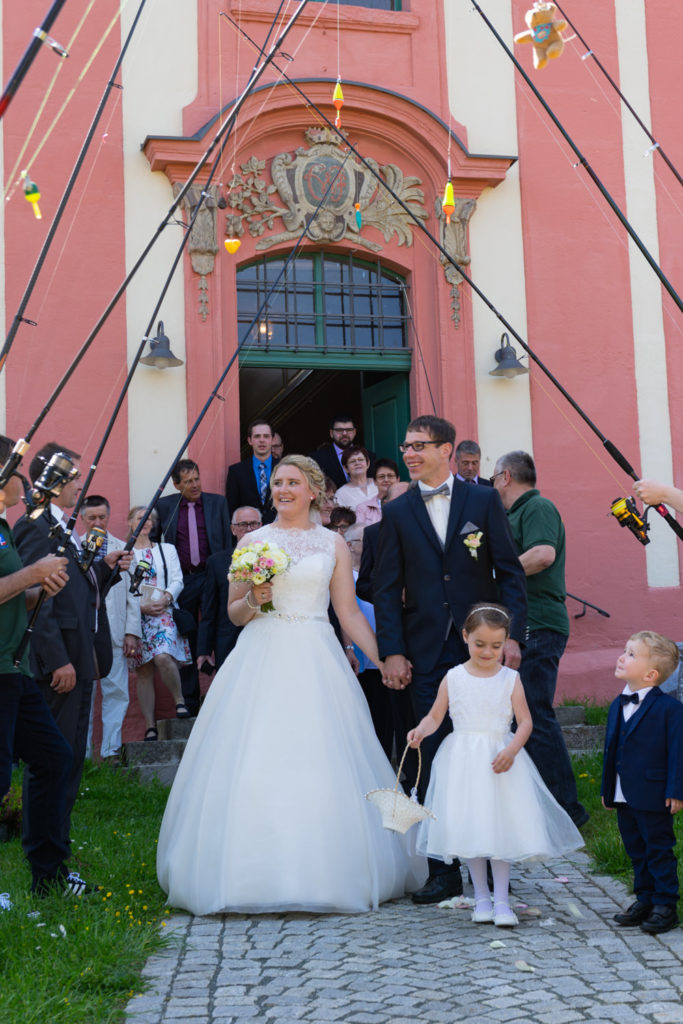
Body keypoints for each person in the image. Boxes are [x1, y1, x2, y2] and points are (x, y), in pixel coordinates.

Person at [157, 454, 426, 915]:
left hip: (317, 656)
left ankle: (328, 870)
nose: (282, 489)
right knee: (256, 755)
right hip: (261, 655)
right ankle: (250, 872)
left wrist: (383, 657)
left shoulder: (332, 544)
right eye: (278, 482)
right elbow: (235, 613)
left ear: (313, 491)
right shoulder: (254, 543)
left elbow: (346, 614)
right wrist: (255, 600)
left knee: (322, 756)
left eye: (292, 482)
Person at [373, 414, 527, 905]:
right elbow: (385, 588)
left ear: (447, 449)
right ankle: (441, 869)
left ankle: (493, 856)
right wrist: (392, 651)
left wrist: (511, 637)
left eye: (420, 445)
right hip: (423, 652)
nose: (410, 453)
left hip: (482, 653)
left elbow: (509, 573)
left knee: (487, 755)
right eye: (406, 445)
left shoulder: (482, 500)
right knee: (429, 757)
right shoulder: (397, 512)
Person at [409, 604, 583, 927]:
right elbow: (436, 716)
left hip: (500, 761)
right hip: (462, 762)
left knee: (500, 829)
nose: (488, 651)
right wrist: (420, 730)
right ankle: (482, 899)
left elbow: (526, 722)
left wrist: (513, 749)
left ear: (506, 642)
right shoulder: (453, 678)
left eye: (496, 645)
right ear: (465, 636)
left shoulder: (510, 679)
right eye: (479, 644)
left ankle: (502, 900)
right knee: (473, 827)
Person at [14, 442, 131, 855]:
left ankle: (58, 850)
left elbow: (74, 590)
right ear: (55, 478)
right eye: (75, 476)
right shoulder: (35, 525)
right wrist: (56, 659)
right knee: (53, 762)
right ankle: (46, 859)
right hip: (60, 662)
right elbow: (35, 596)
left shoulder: (62, 526)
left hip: (83, 656)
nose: (80, 484)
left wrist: (107, 569)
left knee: (69, 761)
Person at [0, 439, 83, 898]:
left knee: (54, 757)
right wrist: (31, 575)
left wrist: (38, 590)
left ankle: (48, 877)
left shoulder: (4, 527)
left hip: (15, 669)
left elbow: (12, 592)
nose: (26, 485)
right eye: (19, 475)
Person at [491, 450, 588, 827]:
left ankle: (567, 809)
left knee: (535, 713)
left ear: (505, 477)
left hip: (539, 622)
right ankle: (543, 802)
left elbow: (544, 554)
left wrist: (499, 578)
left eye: (493, 477)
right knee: (524, 714)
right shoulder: (512, 514)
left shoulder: (538, 506)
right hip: (524, 622)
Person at [602, 631, 683, 935]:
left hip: (654, 793)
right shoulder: (616, 705)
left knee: (658, 848)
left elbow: (678, 753)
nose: (623, 656)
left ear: (651, 674)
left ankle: (665, 904)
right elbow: (611, 750)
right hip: (623, 793)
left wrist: (677, 790)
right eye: (625, 650)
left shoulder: (671, 711)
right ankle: (645, 899)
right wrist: (607, 790)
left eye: (632, 654)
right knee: (635, 848)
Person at [155, 459, 231, 715]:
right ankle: (189, 698)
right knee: (186, 635)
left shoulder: (217, 503)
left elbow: (227, 539)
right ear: (176, 485)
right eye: (187, 481)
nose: (194, 484)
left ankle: (222, 691)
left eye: (196, 478)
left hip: (213, 578)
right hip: (183, 581)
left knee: (219, 630)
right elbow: (156, 544)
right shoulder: (165, 506)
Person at [80, 495, 141, 761]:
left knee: (117, 691)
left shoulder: (124, 549)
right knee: (84, 694)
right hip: (83, 633)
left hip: (115, 631)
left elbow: (134, 594)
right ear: (82, 519)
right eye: (91, 518)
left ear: (109, 517)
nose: (97, 522)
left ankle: (111, 750)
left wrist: (132, 631)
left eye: (101, 517)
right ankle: (81, 755)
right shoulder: (74, 549)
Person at [127, 507, 191, 740]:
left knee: (163, 657)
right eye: (139, 518)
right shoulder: (126, 553)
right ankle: (150, 726)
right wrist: (141, 607)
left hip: (163, 611)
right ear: (130, 522)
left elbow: (177, 579)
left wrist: (165, 599)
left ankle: (179, 700)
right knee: (143, 671)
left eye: (150, 519)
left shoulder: (166, 549)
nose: (145, 522)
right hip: (137, 616)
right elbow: (122, 587)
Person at [196, 506, 262, 675]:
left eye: (254, 524)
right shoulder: (217, 562)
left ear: (262, 526)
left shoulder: (275, 558)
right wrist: (204, 649)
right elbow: (209, 609)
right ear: (233, 529)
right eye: (243, 524)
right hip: (228, 639)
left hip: (265, 635)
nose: (249, 529)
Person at [225, 420, 277, 525]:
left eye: (266, 436)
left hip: (279, 532)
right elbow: (231, 508)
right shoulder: (236, 471)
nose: (262, 440)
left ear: (272, 440)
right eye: (257, 436)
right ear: (250, 440)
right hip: (248, 532)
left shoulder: (284, 468)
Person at [310, 413, 376, 489]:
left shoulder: (370, 456)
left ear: (354, 432)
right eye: (339, 430)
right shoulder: (317, 458)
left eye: (349, 430)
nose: (344, 433)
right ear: (331, 433)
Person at [355, 458, 400, 526]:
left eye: (390, 476)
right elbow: (360, 535)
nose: (386, 480)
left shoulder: (406, 504)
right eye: (381, 476)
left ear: (398, 479)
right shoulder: (363, 508)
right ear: (375, 481)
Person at [334, 447, 378, 513]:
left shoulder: (379, 483)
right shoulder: (341, 494)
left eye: (360, 460)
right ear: (346, 468)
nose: (357, 463)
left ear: (368, 463)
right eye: (352, 461)